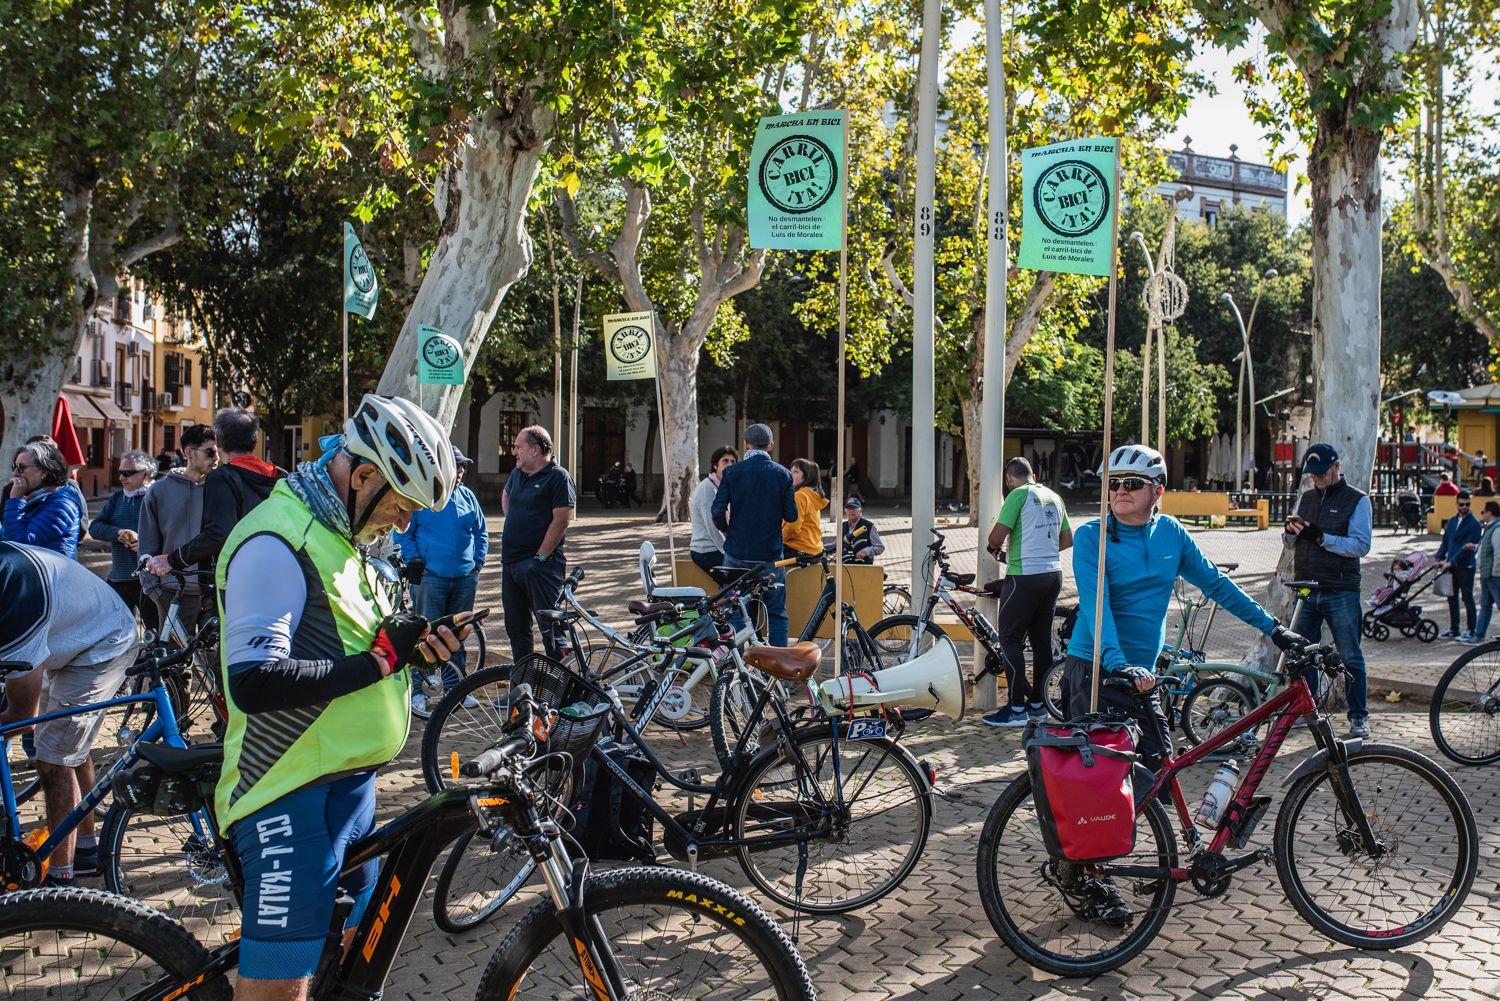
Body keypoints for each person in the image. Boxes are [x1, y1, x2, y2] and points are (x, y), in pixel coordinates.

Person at [216, 394, 469, 999]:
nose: (404, 524)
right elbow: (254, 681)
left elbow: (352, 647)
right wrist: (380, 658)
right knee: (279, 987)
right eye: (402, 506)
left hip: (348, 792)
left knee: (349, 964)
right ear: (361, 477)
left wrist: (407, 649)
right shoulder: (278, 540)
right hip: (288, 794)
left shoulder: (342, 536)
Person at [1068, 445, 1307, 766]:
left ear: (1157, 491)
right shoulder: (1091, 536)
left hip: (1142, 674)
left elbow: (1218, 585)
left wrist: (1275, 629)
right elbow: (1097, 607)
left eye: (1133, 483)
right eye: (1113, 483)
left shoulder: (1171, 533)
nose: (1120, 490)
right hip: (1097, 671)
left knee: (1158, 774)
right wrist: (1117, 662)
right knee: (1103, 783)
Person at [0, 541, 138, 884]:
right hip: (69, 636)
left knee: (53, 758)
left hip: (104, 642)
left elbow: (20, 716)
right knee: (70, 747)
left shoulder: (16, 602)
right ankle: (88, 852)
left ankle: (62, 880)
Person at [1283, 442, 1374, 738]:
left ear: (1337, 466)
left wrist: (1321, 537)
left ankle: (1359, 717)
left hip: (1340, 589)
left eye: (1321, 473)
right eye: (1312, 474)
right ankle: (1307, 712)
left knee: (1350, 656)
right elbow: (1291, 543)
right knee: (1303, 655)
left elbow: (1361, 545)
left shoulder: (1358, 501)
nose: (1316, 479)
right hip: (1306, 589)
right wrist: (1290, 534)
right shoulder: (1307, 498)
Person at [146, 408, 284, 600]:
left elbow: (217, 533)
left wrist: (173, 560)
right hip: (277, 574)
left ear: (219, 440)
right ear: (255, 440)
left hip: (236, 580)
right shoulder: (280, 476)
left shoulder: (222, 477)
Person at [395, 446, 488, 712]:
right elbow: (402, 533)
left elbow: (482, 533)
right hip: (431, 578)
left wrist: (477, 563)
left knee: (457, 637)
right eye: (455, 466)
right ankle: (419, 690)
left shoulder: (468, 497)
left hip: (464, 579)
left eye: (462, 468)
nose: (459, 472)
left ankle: (455, 690)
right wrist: (415, 561)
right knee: (424, 634)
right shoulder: (423, 498)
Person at [984, 456, 1073, 727]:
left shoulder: (1017, 495)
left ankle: (1015, 709)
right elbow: (1068, 539)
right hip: (1053, 574)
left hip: (1024, 576)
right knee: (1041, 642)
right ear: (1033, 474)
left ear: (1010, 479)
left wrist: (995, 548)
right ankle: (1038, 705)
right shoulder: (1054, 496)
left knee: (1009, 639)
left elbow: (995, 538)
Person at [712, 423, 798, 646]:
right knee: (777, 612)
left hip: (736, 554)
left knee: (735, 609)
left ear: (746, 444)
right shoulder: (783, 475)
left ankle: (738, 668)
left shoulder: (732, 472)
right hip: (769, 556)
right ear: (771, 446)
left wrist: (729, 531)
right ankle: (778, 673)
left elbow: (718, 511)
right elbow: (791, 515)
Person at [500, 425, 575, 661]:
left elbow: (562, 520)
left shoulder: (558, 477)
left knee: (551, 631)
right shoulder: (517, 474)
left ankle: (561, 691)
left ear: (534, 450)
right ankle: (523, 691)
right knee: (517, 630)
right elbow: (506, 495)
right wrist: (515, 519)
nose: (514, 452)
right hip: (511, 563)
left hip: (541, 566)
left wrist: (540, 557)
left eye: (518, 447)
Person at [138, 424, 218, 634]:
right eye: (210, 452)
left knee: (217, 664)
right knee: (175, 663)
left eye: (218, 451)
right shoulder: (159, 491)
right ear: (189, 453)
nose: (216, 458)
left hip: (215, 593)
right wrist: (155, 591)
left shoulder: (221, 490)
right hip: (174, 593)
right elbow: (147, 545)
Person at [88, 450, 160, 636]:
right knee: (116, 633)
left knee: (153, 632)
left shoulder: (156, 497)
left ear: (146, 473)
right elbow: (95, 528)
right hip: (119, 577)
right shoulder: (117, 498)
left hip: (148, 580)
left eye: (128, 473)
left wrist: (145, 542)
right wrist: (119, 533)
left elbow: (169, 532)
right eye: (119, 472)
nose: (121, 478)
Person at [5, 440, 85, 558]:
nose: (15, 473)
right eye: (14, 467)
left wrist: (15, 501)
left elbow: (20, 545)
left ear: (44, 472)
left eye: (21, 468)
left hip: (49, 574)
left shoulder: (62, 505)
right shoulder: (33, 497)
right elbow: (7, 535)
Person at [1436, 489, 1481, 641]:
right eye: (1461, 504)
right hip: (1451, 567)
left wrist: (1451, 561)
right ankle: (1454, 628)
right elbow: (1446, 542)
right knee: (1451, 597)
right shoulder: (1452, 521)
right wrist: (1439, 557)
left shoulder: (1474, 524)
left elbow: (1468, 549)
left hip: (1465, 567)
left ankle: (1471, 629)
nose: (1464, 507)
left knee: (1467, 598)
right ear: (1457, 504)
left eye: (1467, 504)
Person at [689, 446, 737, 574]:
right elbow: (713, 528)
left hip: (719, 547)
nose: (730, 464)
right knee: (737, 581)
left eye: (733, 461)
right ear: (715, 465)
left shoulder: (725, 487)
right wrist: (729, 554)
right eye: (725, 461)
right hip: (706, 550)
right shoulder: (708, 488)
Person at [1466, 500, 1500, 644]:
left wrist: (1495, 571)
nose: (1483, 515)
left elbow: (1498, 552)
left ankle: (1479, 635)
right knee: (1485, 606)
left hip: (1493, 575)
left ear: (1489, 512)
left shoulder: (1497, 529)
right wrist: (1475, 547)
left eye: (1483, 512)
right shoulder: (1490, 528)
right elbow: (1486, 549)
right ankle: (1479, 635)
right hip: (1487, 575)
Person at [782, 458, 828, 558]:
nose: (790, 474)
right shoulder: (813, 495)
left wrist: (778, 539)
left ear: (806, 476)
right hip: (813, 548)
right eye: (791, 470)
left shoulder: (800, 496)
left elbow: (793, 527)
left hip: (797, 547)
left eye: (796, 471)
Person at [840, 496, 885, 562]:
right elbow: (836, 545)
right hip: (844, 566)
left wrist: (866, 551)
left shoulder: (869, 526)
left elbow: (880, 547)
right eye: (849, 509)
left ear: (860, 510)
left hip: (863, 566)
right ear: (845, 511)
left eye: (855, 508)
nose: (852, 511)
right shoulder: (843, 526)